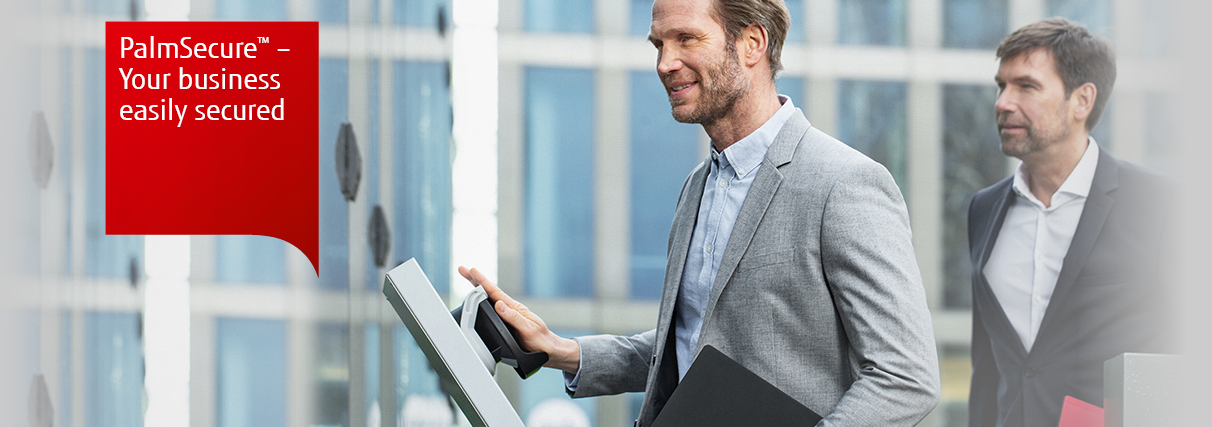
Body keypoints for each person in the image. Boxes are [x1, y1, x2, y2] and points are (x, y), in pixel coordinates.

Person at [459, 0, 939, 425]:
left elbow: (906, 376)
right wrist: (561, 350)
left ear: (752, 43)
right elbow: (691, 343)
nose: (666, 63)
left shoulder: (845, 183)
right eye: (658, 45)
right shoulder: (697, 188)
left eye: (687, 38)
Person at [967, 18, 1176, 427]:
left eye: (1026, 86)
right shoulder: (984, 209)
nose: (1003, 102)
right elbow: (987, 366)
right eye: (1001, 85)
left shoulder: (1162, 204)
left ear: (1082, 100)